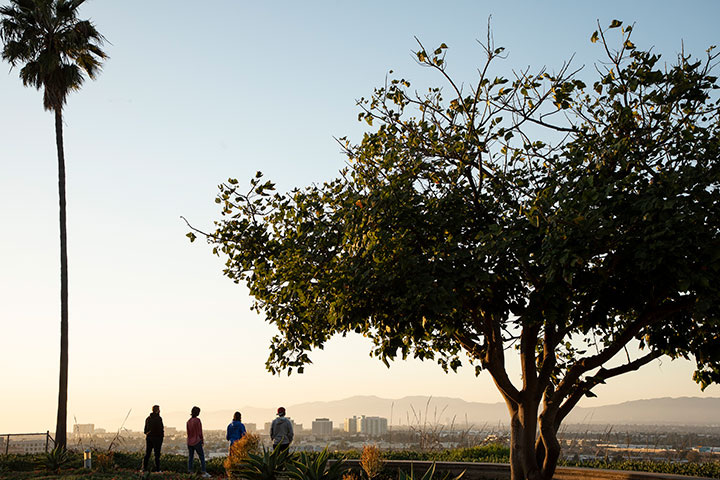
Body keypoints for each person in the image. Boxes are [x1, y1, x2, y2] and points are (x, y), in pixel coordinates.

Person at [186, 406, 211, 478]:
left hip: (190, 441)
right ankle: (203, 471)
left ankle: (190, 471)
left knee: (191, 457)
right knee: (201, 457)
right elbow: (200, 432)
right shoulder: (198, 420)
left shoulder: (188, 421)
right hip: (197, 441)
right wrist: (202, 440)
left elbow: (188, 433)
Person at [142, 405, 164, 472]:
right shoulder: (158, 418)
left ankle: (144, 468)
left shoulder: (148, 418)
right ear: (157, 410)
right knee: (157, 455)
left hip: (149, 438)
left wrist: (148, 433)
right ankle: (157, 469)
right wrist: (161, 437)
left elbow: (145, 430)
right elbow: (160, 429)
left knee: (147, 453)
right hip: (157, 438)